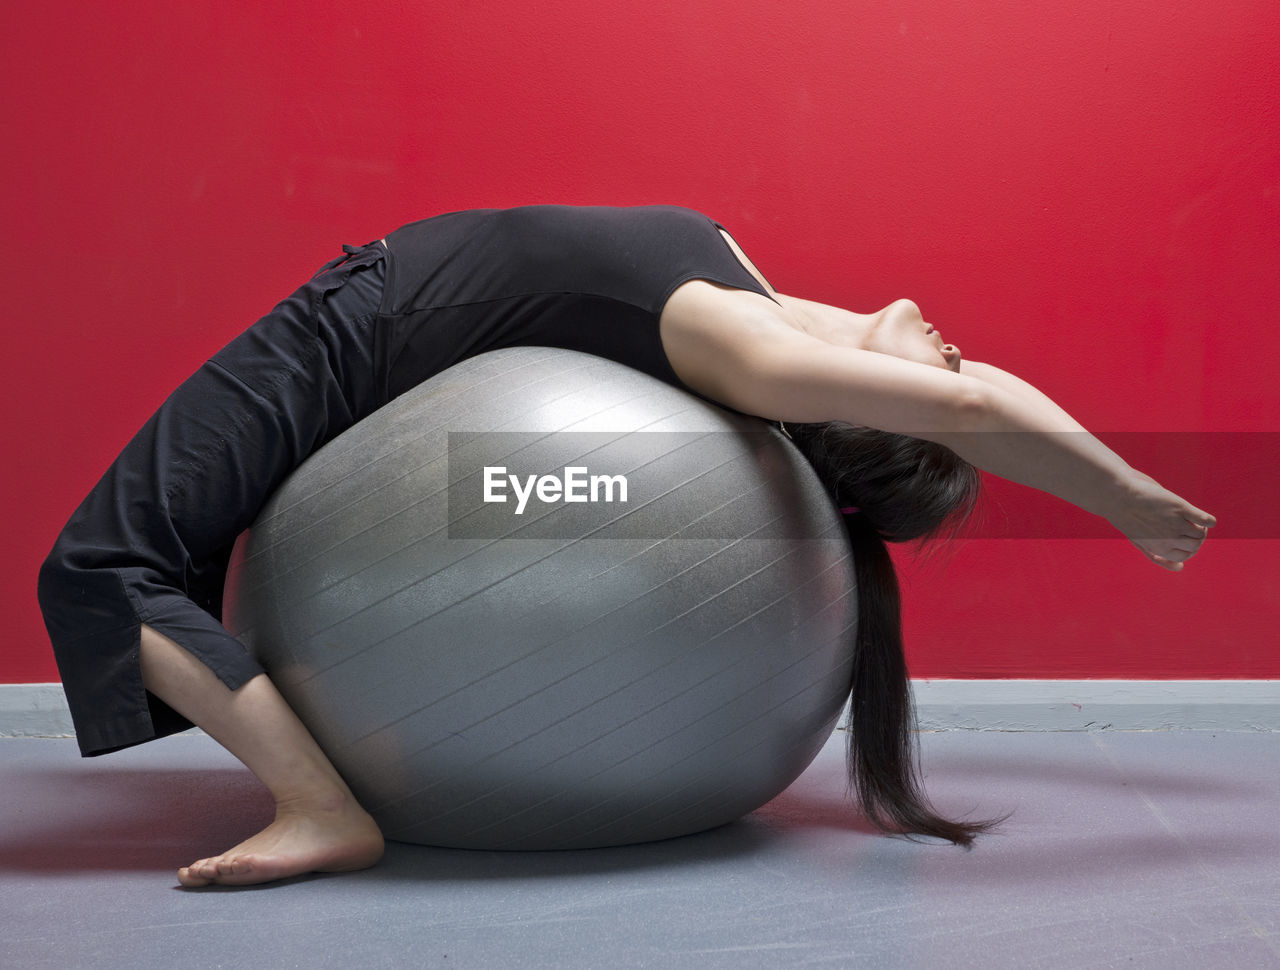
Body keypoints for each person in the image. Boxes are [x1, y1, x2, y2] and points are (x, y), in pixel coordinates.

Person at [37, 205, 1215, 888]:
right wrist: (1106, 466)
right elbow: (983, 393)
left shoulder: (749, 352)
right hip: (358, 336)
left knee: (98, 566)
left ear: (866, 404)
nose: (957, 351)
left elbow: (964, 409)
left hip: (342, 336)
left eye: (936, 372)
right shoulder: (771, 307)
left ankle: (318, 804)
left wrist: (1126, 502)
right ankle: (308, 781)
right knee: (153, 562)